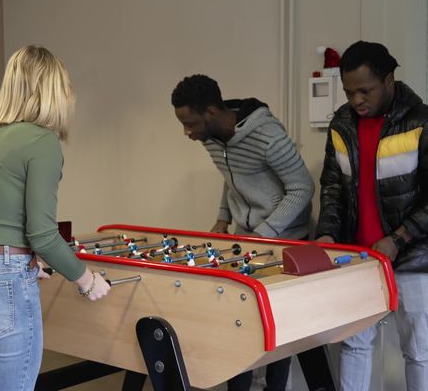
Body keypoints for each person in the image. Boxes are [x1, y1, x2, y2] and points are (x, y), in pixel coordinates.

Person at [0, 45, 111, 391]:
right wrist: (87, 281)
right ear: (54, 93)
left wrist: (29, 261)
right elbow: (44, 235)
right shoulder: (42, 141)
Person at [171, 75, 331, 391]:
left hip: (283, 241)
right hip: (246, 240)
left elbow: (303, 188)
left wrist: (265, 233)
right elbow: (232, 176)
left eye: (190, 123)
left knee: (279, 332)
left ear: (211, 113)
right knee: (237, 327)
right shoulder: (211, 138)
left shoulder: (267, 135)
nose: (187, 132)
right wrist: (222, 217)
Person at [316, 40, 428, 391]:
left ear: (389, 80)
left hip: (414, 259)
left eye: (365, 90)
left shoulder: (420, 121)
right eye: (350, 92)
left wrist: (399, 238)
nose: (356, 100)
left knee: (420, 352)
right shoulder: (342, 124)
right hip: (358, 258)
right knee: (354, 345)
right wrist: (327, 235)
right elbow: (333, 187)